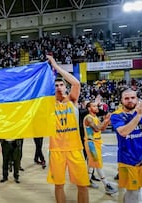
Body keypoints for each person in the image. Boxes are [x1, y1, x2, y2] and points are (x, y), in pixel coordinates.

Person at [46, 55, 89, 203]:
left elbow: (76, 83)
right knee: (59, 186)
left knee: (83, 185)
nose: (58, 88)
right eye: (56, 85)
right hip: (56, 150)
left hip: (75, 149)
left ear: (65, 86)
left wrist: (56, 67)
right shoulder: (49, 103)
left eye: (61, 85)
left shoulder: (72, 100)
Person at [110, 89, 142, 203]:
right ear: (121, 100)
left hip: (141, 158)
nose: (130, 101)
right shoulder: (117, 115)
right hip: (127, 159)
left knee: (136, 190)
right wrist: (138, 115)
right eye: (126, 98)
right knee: (132, 192)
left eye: (132, 98)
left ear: (137, 99)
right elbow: (123, 132)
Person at [83, 101, 117, 194]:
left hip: (96, 142)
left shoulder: (95, 117)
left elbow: (102, 128)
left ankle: (87, 180)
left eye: (96, 106)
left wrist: (106, 122)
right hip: (91, 143)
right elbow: (97, 128)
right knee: (98, 163)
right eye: (94, 106)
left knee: (92, 163)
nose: (97, 107)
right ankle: (106, 185)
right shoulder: (88, 119)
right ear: (89, 108)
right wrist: (105, 121)